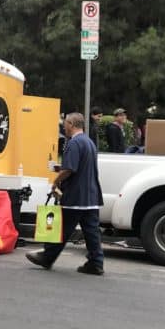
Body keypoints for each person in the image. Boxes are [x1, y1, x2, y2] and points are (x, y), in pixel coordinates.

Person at [26, 112, 105, 276]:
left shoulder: (74, 143)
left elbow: (70, 169)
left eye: (66, 123)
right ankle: (96, 262)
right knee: (92, 232)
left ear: (72, 124)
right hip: (91, 196)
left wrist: (56, 181)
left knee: (62, 228)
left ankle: (47, 257)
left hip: (75, 196)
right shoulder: (89, 142)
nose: (64, 126)